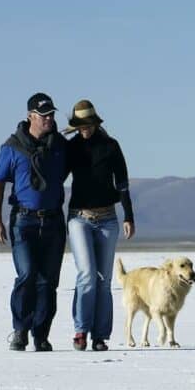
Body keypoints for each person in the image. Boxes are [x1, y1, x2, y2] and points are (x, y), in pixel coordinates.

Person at [0, 93, 68, 351]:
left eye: (51, 114)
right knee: (27, 275)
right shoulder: (12, 148)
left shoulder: (60, 145)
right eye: (43, 115)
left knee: (48, 281)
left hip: (54, 221)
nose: (48, 119)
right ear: (30, 116)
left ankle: (41, 335)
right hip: (23, 221)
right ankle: (20, 330)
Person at [63, 100, 136, 351]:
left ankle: (100, 336)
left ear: (95, 123)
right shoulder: (71, 148)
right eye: (80, 125)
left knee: (103, 280)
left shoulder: (110, 146)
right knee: (87, 276)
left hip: (107, 219)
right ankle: (81, 330)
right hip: (79, 218)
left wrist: (128, 216)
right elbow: (56, 176)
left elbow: (123, 183)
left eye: (88, 124)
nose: (85, 129)